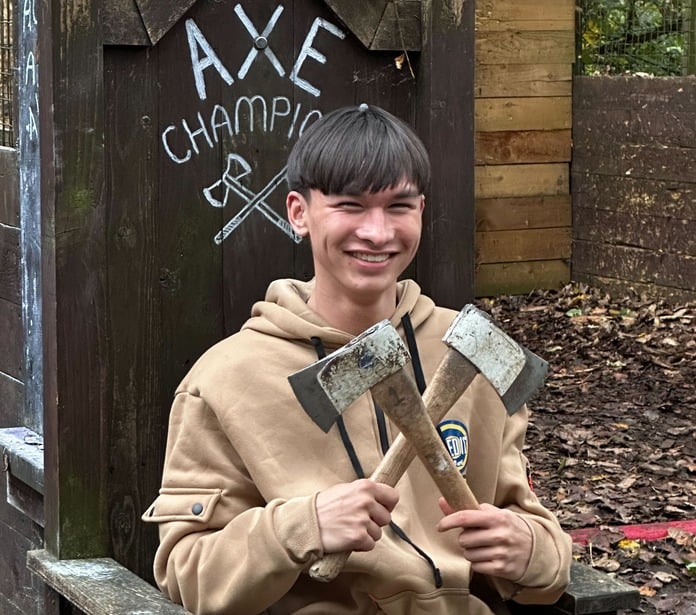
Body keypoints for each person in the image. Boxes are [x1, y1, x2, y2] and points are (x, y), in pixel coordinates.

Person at [143, 104, 572, 615]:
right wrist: (300, 527)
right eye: (350, 206)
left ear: (421, 210)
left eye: (398, 206)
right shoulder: (227, 379)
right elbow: (189, 578)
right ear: (299, 213)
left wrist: (530, 551)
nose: (377, 232)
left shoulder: (470, 351)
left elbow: (541, 550)